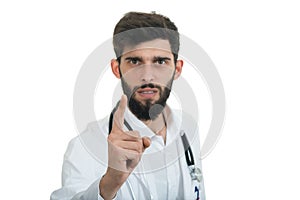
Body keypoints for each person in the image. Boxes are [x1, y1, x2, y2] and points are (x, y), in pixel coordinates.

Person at [51, 11, 206, 200]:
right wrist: (110, 183)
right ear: (117, 69)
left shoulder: (188, 127)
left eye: (160, 61)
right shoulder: (84, 148)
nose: (147, 76)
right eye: (134, 61)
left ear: (177, 69)